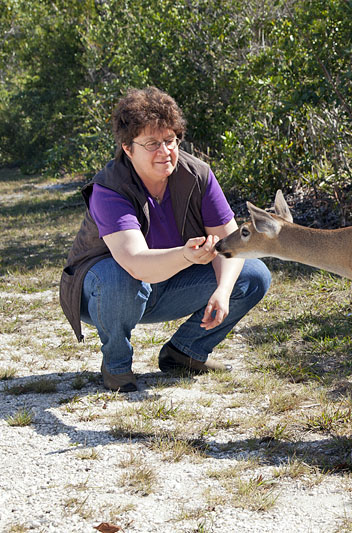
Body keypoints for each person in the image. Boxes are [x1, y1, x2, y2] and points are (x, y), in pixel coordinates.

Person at [59, 87, 271, 392]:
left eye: (170, 141)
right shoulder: (110, 188)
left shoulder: (197, 174)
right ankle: (116, 365)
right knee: (116, 275)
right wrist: (186, 256)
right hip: (103, 293)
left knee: (253, 275)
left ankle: (185, 352)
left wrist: (223, 291)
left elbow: (232, 245)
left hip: (166, 285)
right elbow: (135, 263)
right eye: (152, 143)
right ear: (128, 148)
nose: (165, 151)